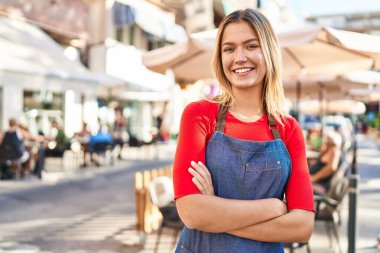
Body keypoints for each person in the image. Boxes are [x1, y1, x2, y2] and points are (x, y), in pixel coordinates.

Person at [173, 9, 315, 253]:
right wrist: (272, 208)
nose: (239, 57)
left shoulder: (289, 129)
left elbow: (301, 227)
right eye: (229, 49)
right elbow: (192, 212)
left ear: (268, 52)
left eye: (251, 46)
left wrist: (215, 212)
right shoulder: (199, 115)